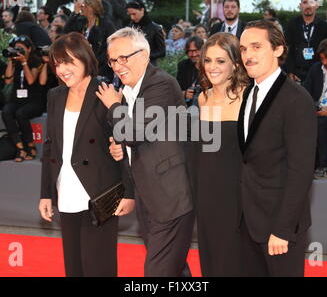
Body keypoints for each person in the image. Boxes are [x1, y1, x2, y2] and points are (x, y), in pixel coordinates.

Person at [96, 27, 194, 277]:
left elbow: (134, 134)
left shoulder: (160, 84)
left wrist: (114, 106)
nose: (117, 66)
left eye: (123, 58)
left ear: (144, 55)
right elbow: (134, 141)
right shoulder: (130, 92)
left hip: (171, 197)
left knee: (158, 272)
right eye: (112, 60)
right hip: (150, 195)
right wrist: (119, 148)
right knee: (175, 269)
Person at [39, 32, 135, 277]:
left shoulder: (105, 91)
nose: (62, 70)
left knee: (98, 266)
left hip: (101, 192)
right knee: (74, 267)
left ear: (85, 59)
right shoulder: (55, 96)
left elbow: (126, 143)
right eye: (57, 64)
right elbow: (49, 148)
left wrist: (130, 192)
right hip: (67, 191)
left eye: (69, 62)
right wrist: (46, 194)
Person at [238, 20, 317, 277]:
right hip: (248, 222)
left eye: (256, 46)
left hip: (279, 228)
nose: (248, 55)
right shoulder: (249, 93)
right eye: (243, 49)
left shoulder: (296, 99)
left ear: (278, 50)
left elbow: (301, 171)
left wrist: (282, 229)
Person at [188, 32, 249, 276]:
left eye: (220, 61)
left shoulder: (248, 97)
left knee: (234, 260)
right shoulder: (204, 98)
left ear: (236, 63)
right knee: (210, 258)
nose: (212, 67)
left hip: (237, 196)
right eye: (208, 60)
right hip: (206, 193)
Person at [1, 35, 44, 162]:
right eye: (16, 48)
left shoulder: (35, 61)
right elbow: (8, 81)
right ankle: (20, 147)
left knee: (21, 114)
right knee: (7, 112)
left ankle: (30, 146)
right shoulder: (14, 61)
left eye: (21, 48)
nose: (18, 51)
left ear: (29, 49)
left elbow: (31, 80)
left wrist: (24, 62)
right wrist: (10, 60)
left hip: (33, 100)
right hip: (17, 100)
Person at [285, 0, 327, 83]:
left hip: (319, 75)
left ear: (317, 5)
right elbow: (286, 50)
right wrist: (290, 71)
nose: (308, 6)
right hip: (296, 75)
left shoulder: (325, 27)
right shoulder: (291, 25)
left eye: (311, 2)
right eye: (305, 2)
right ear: (300, 5)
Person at [64, 0, 116, 78]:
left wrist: (98, 62)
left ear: (90, 7)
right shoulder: (81, 22)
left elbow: (112, 46)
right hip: (82, 67)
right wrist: (74, 13)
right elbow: (66, 32)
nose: (81, 8)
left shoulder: (105, 24)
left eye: (83, 5)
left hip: (100, 69)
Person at [303, 39, 327, 179]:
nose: (325, 62)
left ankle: (325, 166)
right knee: (306, 121)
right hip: (318, 112)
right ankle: (310, 165)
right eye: (322, 58)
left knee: (320, 123)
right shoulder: (315, 69)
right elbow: (305, 92)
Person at [125, 0, 165, 66]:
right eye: (130, 15)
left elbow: (162, 52)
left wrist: (145, 56)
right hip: (132, 65)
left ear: (142, 10)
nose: (132, 17)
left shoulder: (155, 28)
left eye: (134, 14)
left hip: (149, 66)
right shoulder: (129, 28)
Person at [176, 36, 204, 107]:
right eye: (190, 51)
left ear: (203, 50)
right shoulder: (183, 65)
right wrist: (185, 93)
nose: (193, 54)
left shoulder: (210, 65)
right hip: (188, 106)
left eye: (196, 50)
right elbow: (177, 89)